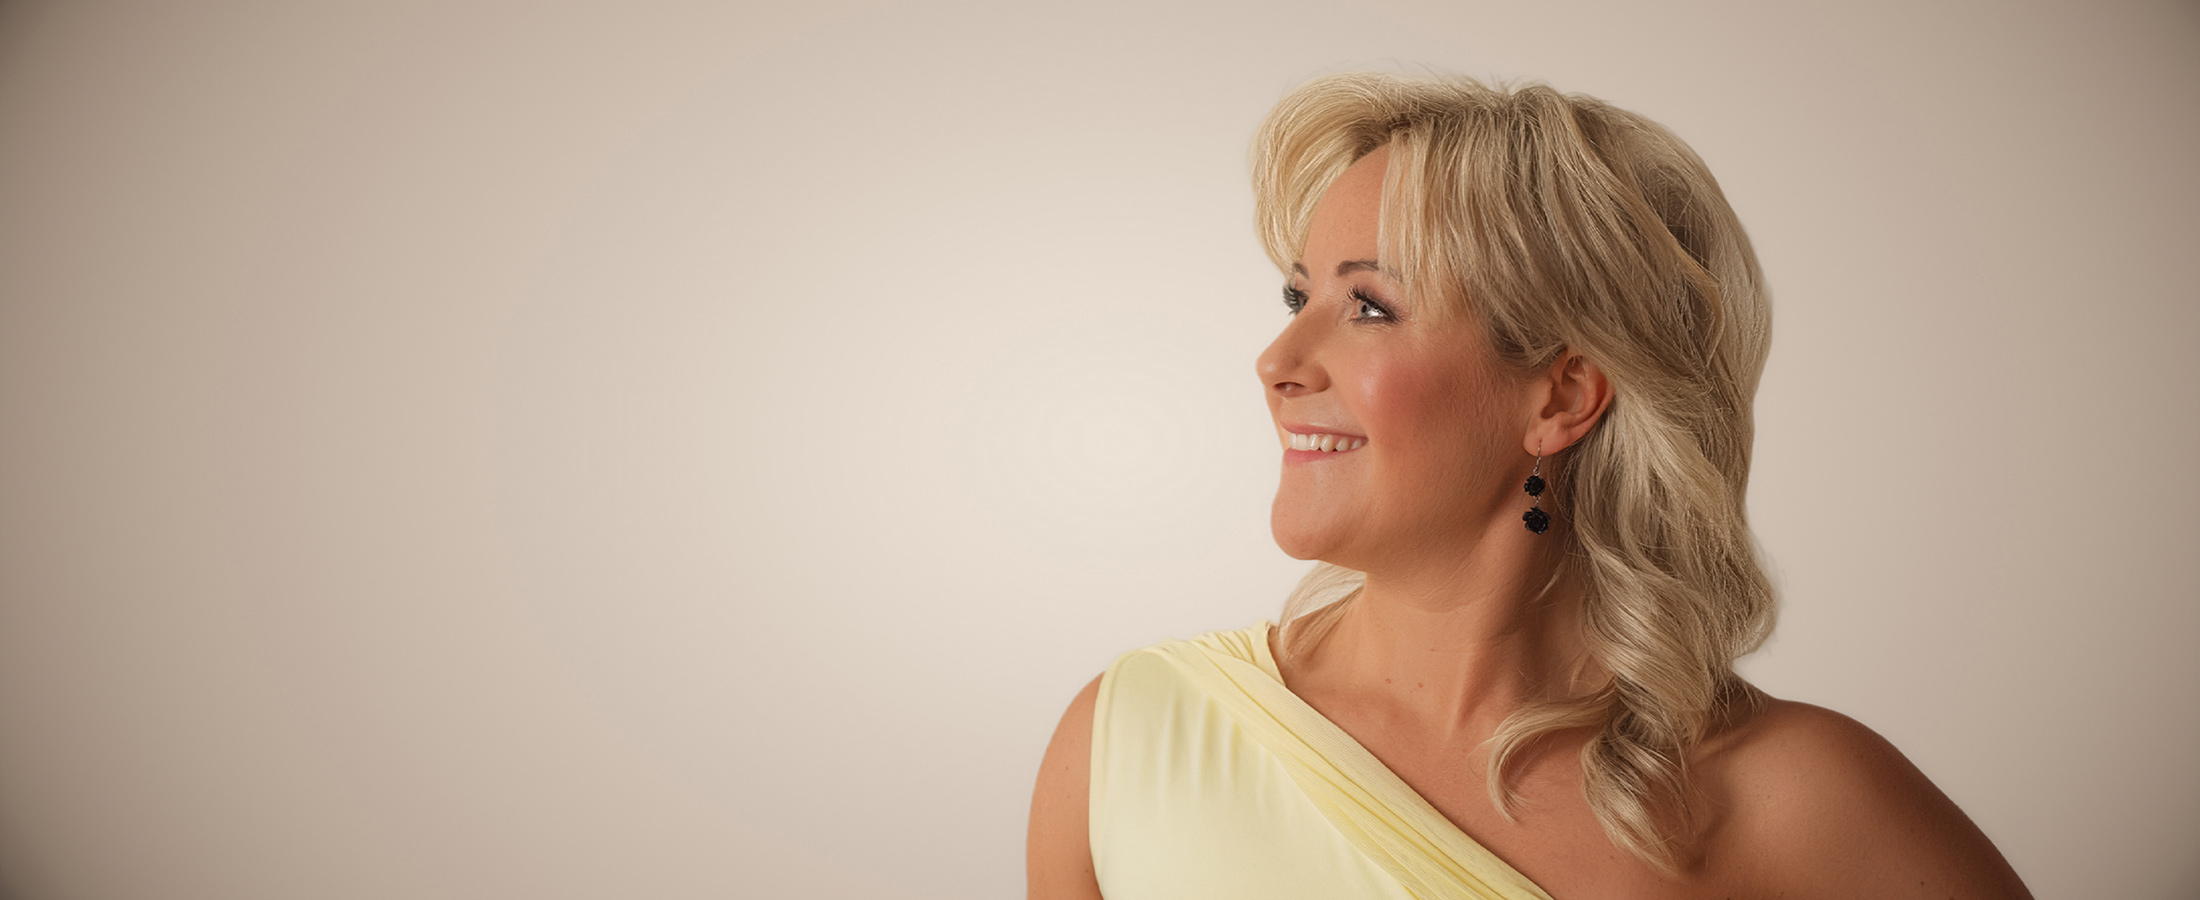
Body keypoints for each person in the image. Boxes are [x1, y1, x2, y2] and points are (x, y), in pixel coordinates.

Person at [1026, 72, 2033, 899]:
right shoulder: (1128, 740)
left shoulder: (1793, 800)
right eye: (1298, 296)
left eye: (1369, 306)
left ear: (1561, 396)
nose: (1277, 360)